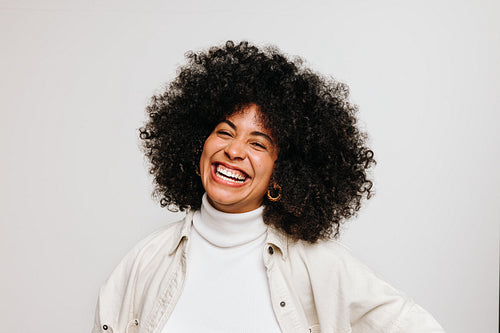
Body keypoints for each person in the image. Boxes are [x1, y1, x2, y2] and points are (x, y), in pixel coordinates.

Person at [92, 41, 444, 333]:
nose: (233, 150)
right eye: (225, 132)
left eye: (258, 144)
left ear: (282, 172)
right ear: (198, 144)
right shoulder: (145, 262)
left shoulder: (319, 266)